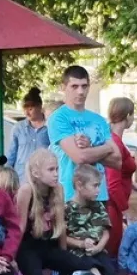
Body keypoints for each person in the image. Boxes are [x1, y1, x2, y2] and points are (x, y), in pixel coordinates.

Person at [48, 65, 116, 208]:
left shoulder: (99, 120)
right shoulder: (58, 118)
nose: (80, 91)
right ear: (63, 87)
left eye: (84, 86)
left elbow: (117, 160)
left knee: (102, 231)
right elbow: (79, 157)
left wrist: (90, 148)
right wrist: (106, 148)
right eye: (74, 86)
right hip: (70, 196)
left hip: (99, 193)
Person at [102, 96, 137, 266]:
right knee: (112, 256)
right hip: (113, 207)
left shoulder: (115, 140)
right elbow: (112, 183)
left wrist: (131, 183)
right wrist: (125, 211)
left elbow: (120, 172)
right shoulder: (114, 142)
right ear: (128, 116)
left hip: (115, 205)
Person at [9, 88, 50, 183]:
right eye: (25, 109)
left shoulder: (50, 127)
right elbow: (11, 154)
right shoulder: (18, 128)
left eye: (31, 109)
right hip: (21, 178)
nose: (27, 113)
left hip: (43, 179)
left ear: (40, 107)